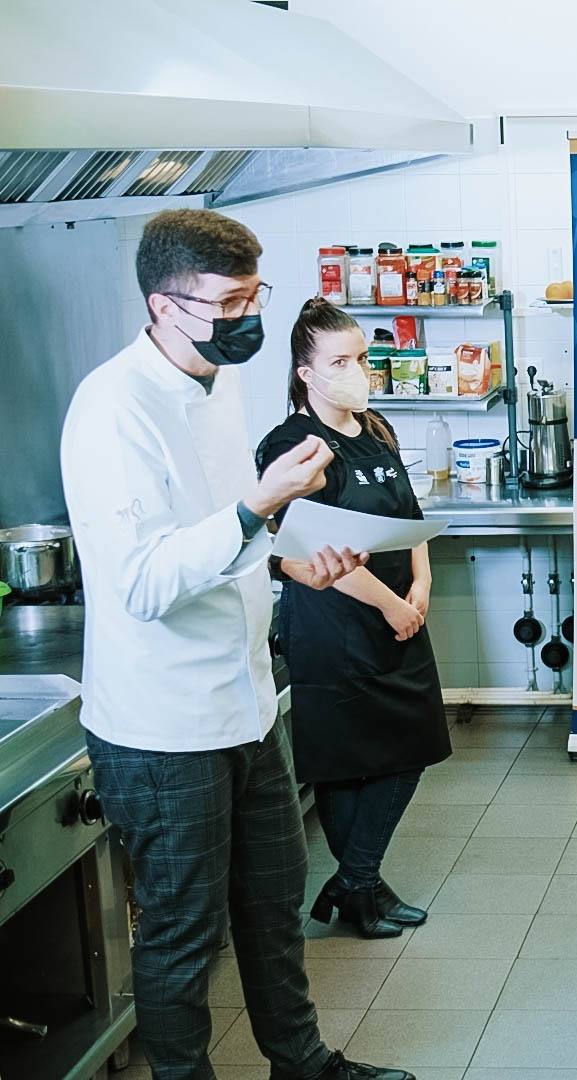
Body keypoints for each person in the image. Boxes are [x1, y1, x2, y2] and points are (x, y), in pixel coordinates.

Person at [60, 210, 414, 1080]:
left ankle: (303, 1063)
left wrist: (297, 557)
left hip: (246, 704)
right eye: (227, 302)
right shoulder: (112, 408)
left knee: (272, 907)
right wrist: (259, 509)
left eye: (255, 296)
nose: (245, 318)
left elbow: (229, 539)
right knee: (184, 935)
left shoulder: (219, 385)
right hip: (162, 727)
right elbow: (143, 580)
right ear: (162, 304)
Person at [257, 298, 451, 939]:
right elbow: (311, 544)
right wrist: (393, 603)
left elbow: (407, 511)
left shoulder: (376, 427)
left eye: (361, 357)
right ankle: (361, 885)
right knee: (347, 759)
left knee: (414, 743)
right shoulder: (293, 447)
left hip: (401, 616)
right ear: (306, 373)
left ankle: (355, 882)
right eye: (339, 361)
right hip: (335, 628)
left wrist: (421, 578)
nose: (357, 371)